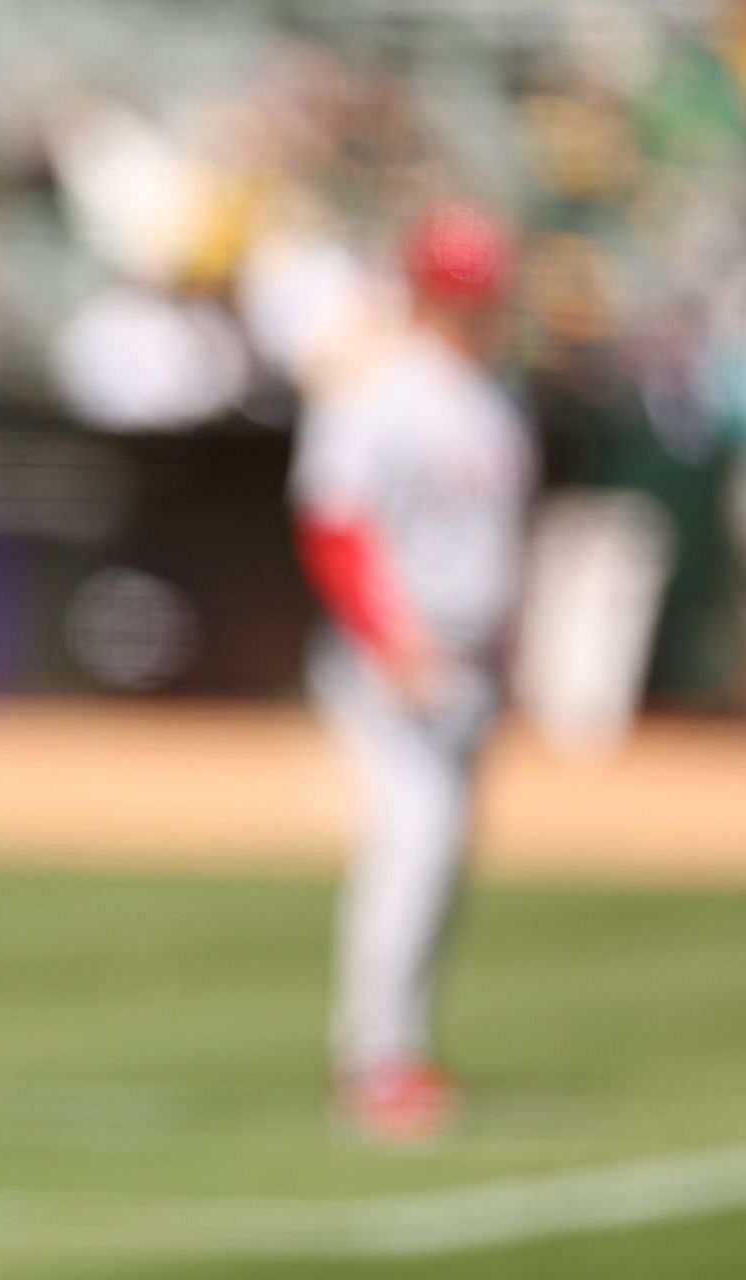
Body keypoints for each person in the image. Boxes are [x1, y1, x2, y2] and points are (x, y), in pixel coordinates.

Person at [287, 205, 536, 1144]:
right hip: (395, 657)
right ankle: (376, 1063)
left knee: (445, 855)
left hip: (469, 657)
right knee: (416, 845)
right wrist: (389, 641)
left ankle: (401, 1050)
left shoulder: (486, 394)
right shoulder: (379, 387)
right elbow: (334, 520)